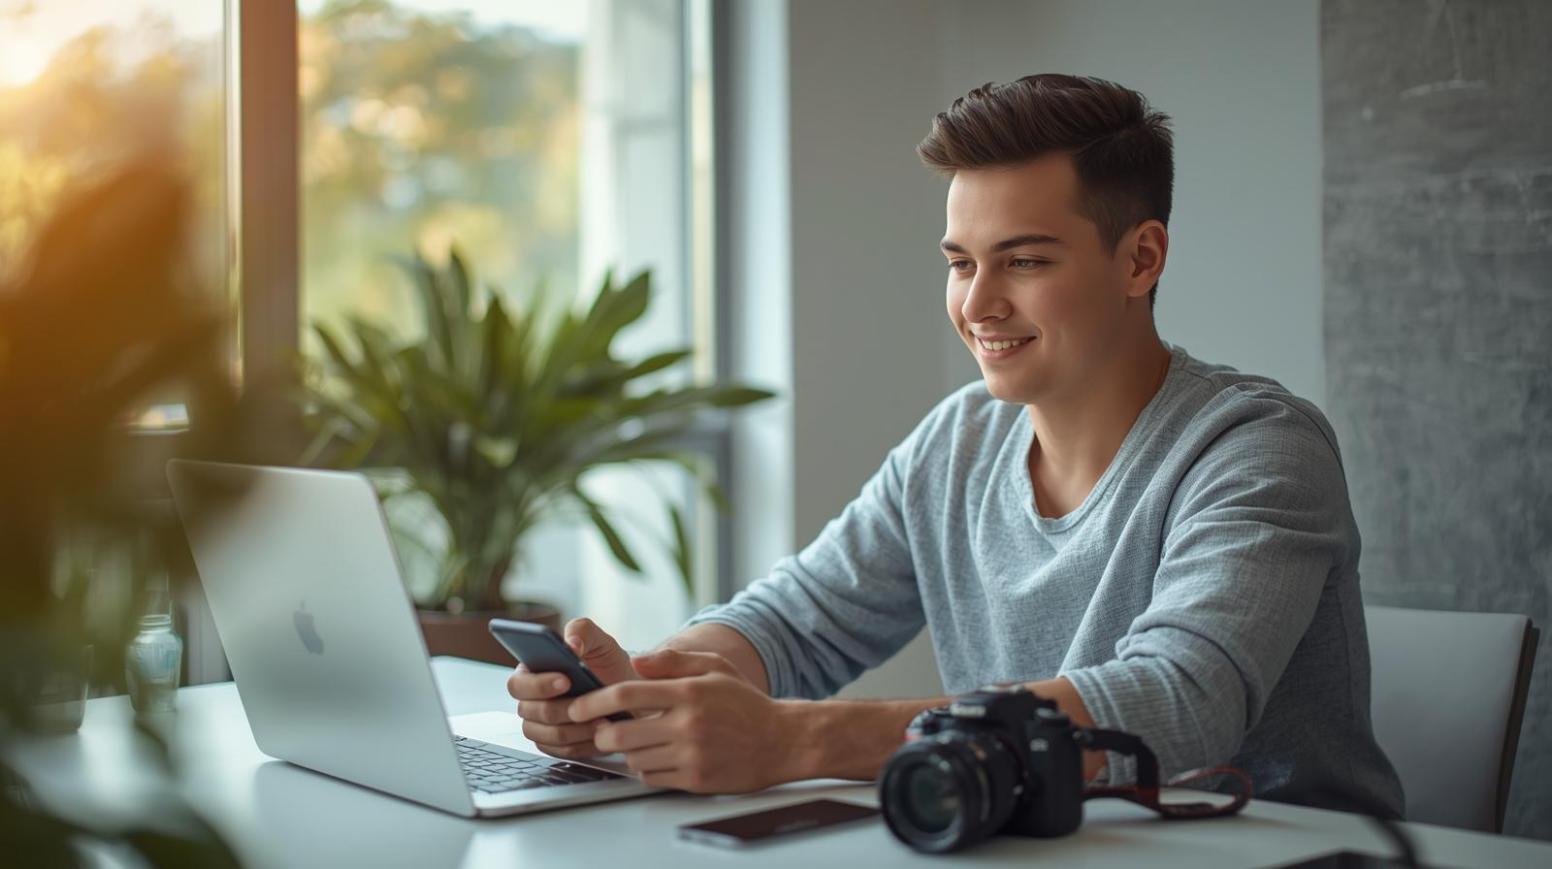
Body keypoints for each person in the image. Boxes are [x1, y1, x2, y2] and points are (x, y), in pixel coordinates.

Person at [507, 73, 1404, 817]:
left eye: (1024, 261)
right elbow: (793, 621)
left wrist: (795, 739)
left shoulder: (1258, 449)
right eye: (960, 262)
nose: (977, 306)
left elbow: (1175, 706)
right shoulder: (959, 439)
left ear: (1140, 259)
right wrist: (651, 690)